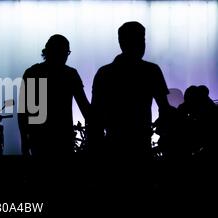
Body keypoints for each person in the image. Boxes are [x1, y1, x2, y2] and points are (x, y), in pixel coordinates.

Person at [90, 21, 171, 164]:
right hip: (142, 143)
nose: (141, 45)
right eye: (140, 40)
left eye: (142, 40)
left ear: (121, 43)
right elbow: (164, 108)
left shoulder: (104, 73)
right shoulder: (152, 70)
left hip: (113, 143)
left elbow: (95, 114)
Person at [18, 34, 90, 159]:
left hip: (39, 138)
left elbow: (23, 112)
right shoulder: (70, 74)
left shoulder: (33, 72)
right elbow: (85, 108)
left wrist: (24, 140)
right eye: (65, 52)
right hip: (63, 137)